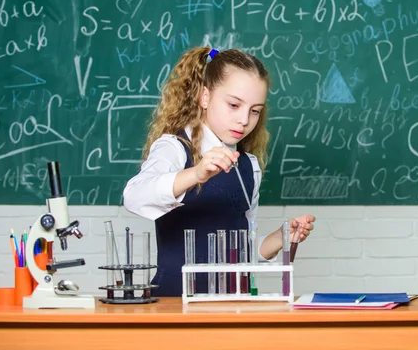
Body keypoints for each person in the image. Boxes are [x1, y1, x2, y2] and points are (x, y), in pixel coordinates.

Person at [123, 46, 316, 296]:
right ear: (205, 97)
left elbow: (242, 251)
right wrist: (196, 174)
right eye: (234, 105)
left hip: (234, 303)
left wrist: (280, 237)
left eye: (255, 110)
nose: (244, 120)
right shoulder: (175, 148)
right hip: (175, 302)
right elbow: (134, 196)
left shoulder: (249, 166)